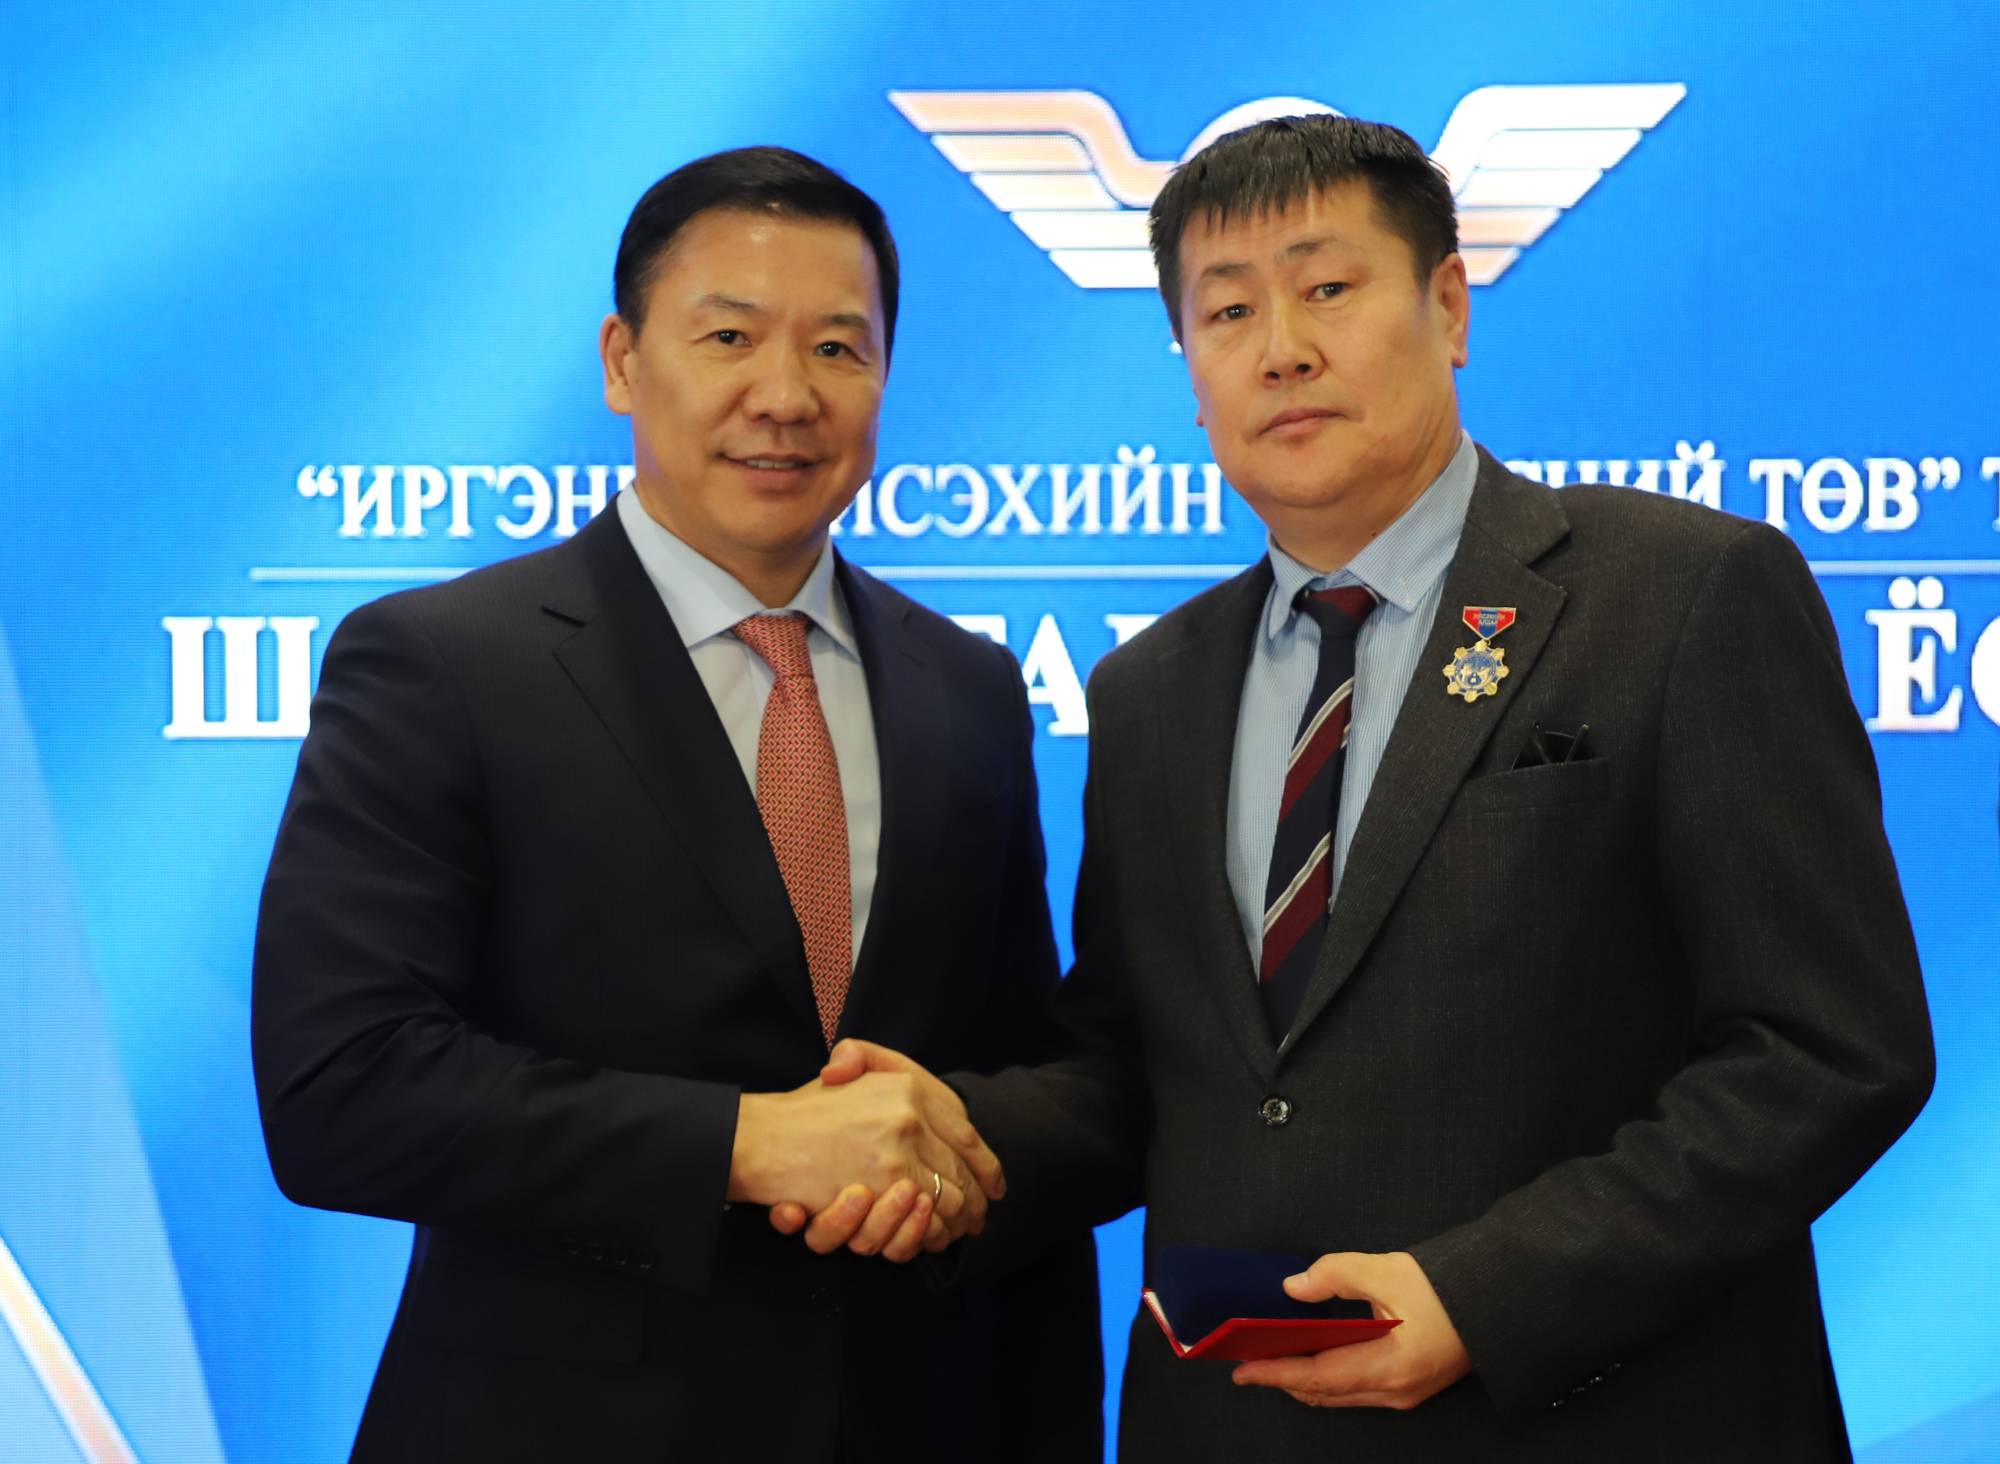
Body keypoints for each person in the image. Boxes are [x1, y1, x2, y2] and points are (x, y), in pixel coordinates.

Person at [793, 115, 1935, 1461]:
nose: (1281, 348)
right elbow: (1137, 1070)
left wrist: (1488, 1295)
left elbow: (1828, 1052)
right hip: (1236, 1428)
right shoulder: (1152, 689)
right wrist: (957, 1137)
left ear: (1448, 308)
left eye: (1328, 287)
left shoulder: (1680, 595)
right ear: (1191, 371)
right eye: (1228, 311)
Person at [251, 146, 1100, 1464]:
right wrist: (749, 1145)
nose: (786, 395)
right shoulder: (442, 664)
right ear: (622, 361)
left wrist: (951, 1149)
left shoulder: (968, 688)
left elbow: (1020, 1062)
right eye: (728, 337)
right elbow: (342, 1090)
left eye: (838, 347)